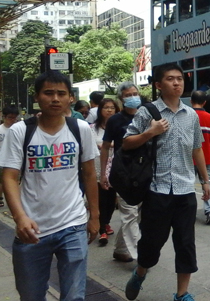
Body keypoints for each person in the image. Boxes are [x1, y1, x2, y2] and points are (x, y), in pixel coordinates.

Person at [0, 71, 99, 301]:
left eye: (61, 93)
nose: (55, 98)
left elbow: (89, 173)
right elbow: (9, 177)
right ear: (37, 97)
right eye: (48, 93)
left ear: (70, 98)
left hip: (73, 224)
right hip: (32, 229)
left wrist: (94, 215)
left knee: (74, 296)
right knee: (31, 295)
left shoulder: (80, 128)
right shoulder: (20, 131)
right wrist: (20, 218)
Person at [123, 63, 210, 301]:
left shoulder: (191, 115)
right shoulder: (147, 113)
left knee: (185, 243)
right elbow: (127, 142)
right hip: (156, 189)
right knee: (152, 242)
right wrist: (150, 133)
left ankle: (182, 294)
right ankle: (141, 272)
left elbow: (197, 149)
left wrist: (205, 180)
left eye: (180, 79)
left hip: (184, 189)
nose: (177, 83)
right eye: (171, 79)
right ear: (159, 85)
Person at [100, 82, 142, 263]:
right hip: (123, 172)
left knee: (137, 214)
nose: (132, 97)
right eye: (127, 95)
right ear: (121, 99)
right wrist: (103, 174)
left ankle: (120, 249)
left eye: (135, 93)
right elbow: (105, 147)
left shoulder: (145, 116)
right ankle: (139, 256)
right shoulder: (115, 120)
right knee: (129, 213)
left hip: (143, 172)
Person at [92, 98, 120, 246]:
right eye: (106, 108)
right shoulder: (93, 128)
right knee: (102, 199)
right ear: (100, 110)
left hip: (116, 169)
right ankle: (102, 228)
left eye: (112, 107)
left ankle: (105, 222)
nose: (109, 110)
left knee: (111, 201)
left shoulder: (120, 125)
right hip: (99, 169)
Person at [191, 91, 210, 225]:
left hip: (190, 157)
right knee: (208, 181)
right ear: (204, 102)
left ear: (191, 101)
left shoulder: (188, 116)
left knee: (189, 184)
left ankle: (190, 211)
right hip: (207, 155)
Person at [0, 105, 20, 208]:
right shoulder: (1, 130)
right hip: (1, 159)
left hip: (14, 160)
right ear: (4, 117)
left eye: (14, 118)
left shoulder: (18, 130)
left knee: (14, 180)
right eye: (10, 117)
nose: (12, 120)